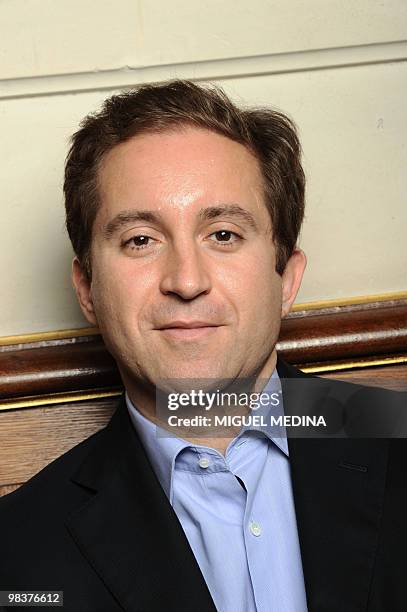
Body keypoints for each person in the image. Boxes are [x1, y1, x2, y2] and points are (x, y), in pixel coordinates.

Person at [0, 80, 405, 612]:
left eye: (224, 234)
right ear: (87, 290)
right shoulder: (17, 558)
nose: (186, 281)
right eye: (140, 240)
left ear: (286, 280)